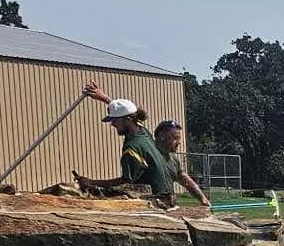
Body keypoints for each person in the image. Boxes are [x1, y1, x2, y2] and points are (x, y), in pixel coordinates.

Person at [76, 83, 210, 209]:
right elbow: (127, 112)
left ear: (128, 120)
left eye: (115, 120)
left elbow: (125, 183)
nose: (113, 125)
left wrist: (91, 182)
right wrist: (105, 98)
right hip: (169, 200)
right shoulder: (143, 132)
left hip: (155, 204)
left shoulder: (132, 148)